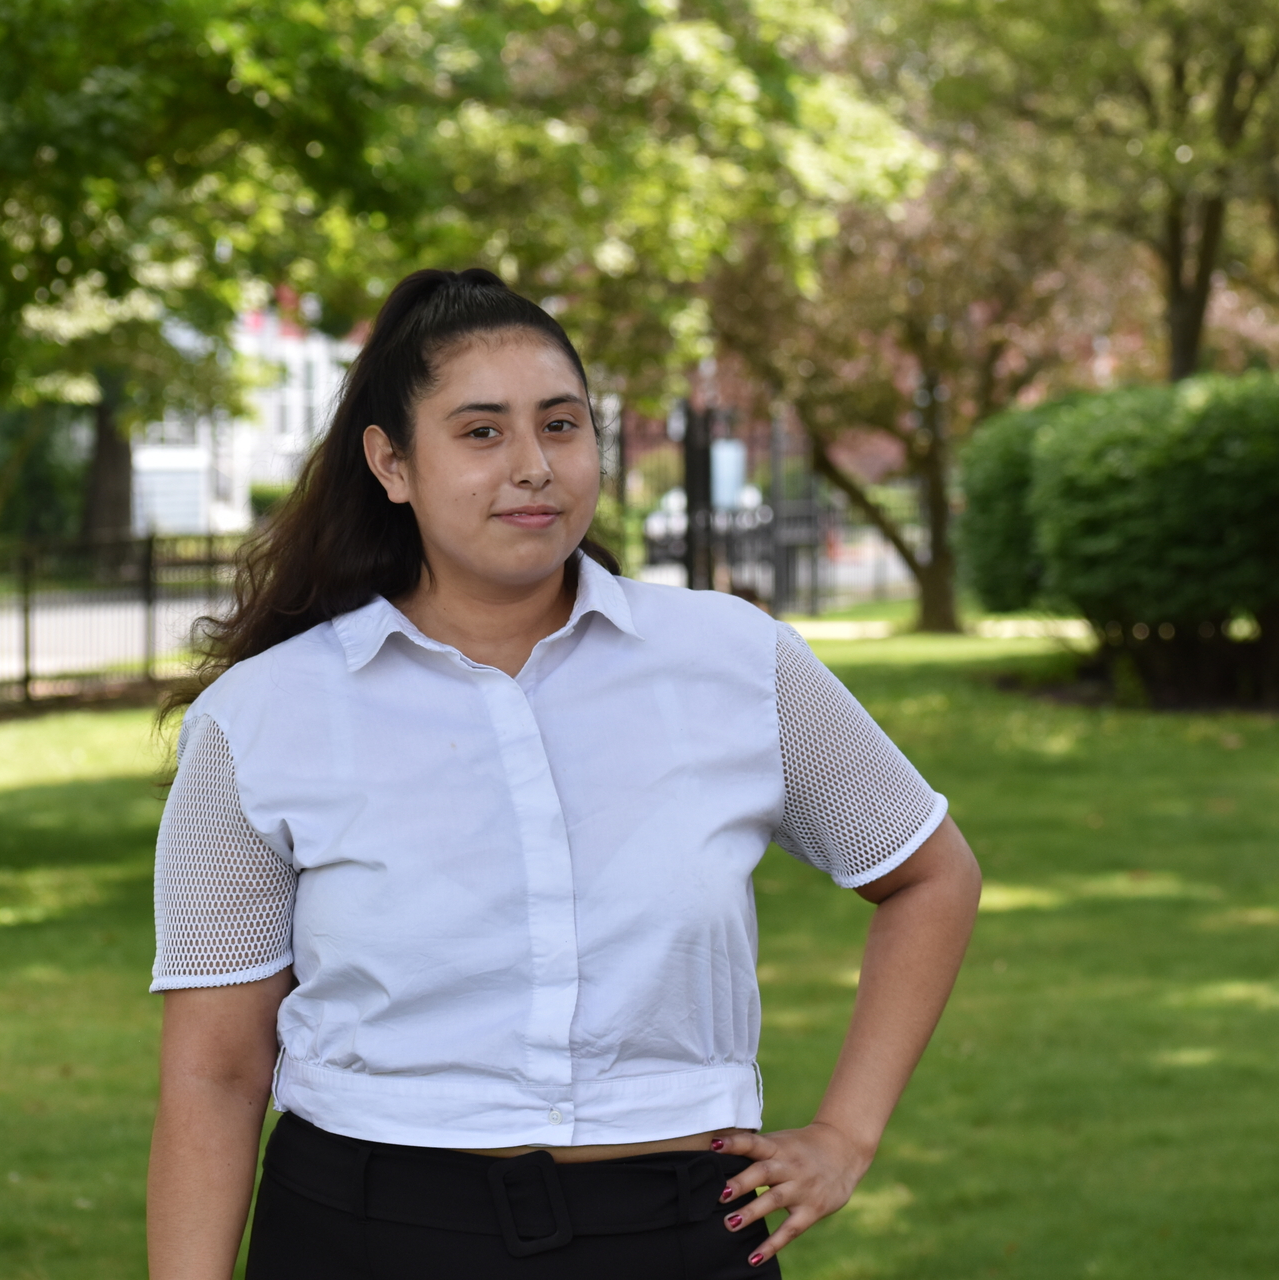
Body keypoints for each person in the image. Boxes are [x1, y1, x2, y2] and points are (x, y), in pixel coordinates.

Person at [144, 267, 982, 1280]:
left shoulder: (730, 659)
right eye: (482, 431)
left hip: (675, 1232)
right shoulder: (265, 716)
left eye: (562, 424)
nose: (534, 465)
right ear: (392, 463)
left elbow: (930, 874)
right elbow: (216, 1070)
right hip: (369, 1231)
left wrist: (846, 1134)